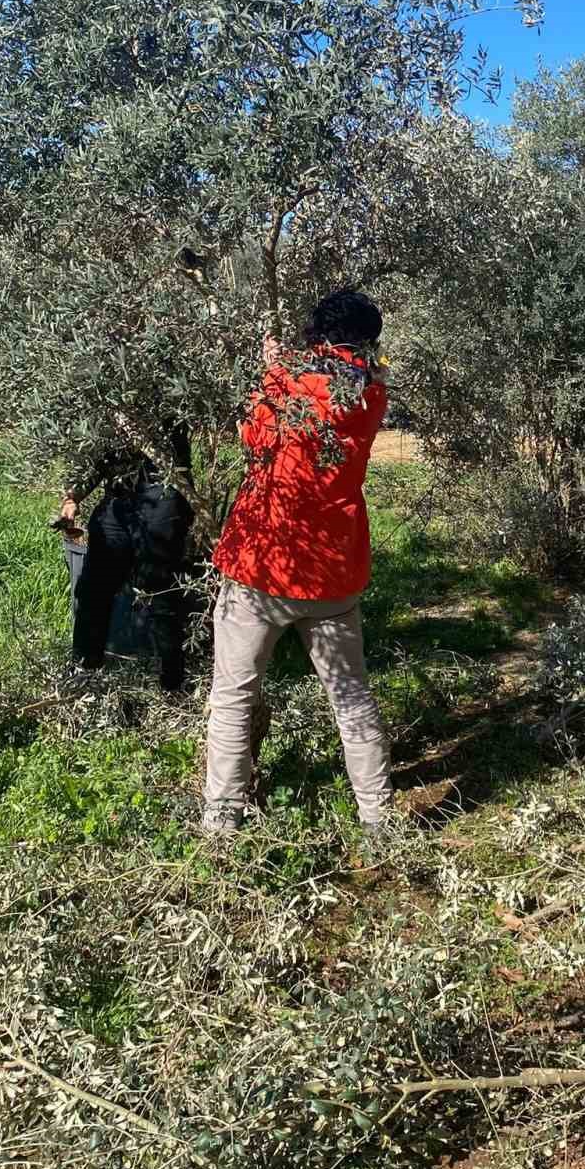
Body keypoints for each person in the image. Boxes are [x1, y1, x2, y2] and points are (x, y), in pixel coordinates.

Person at [202, 289, 394, 835]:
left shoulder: (287, 381)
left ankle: (221, 823)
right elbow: (343, 382)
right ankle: (381, 822)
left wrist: (269, 371)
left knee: (235, 698)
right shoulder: (372, 392)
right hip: (334, 572)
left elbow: (253, 436)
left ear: (318, 335)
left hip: (261, 568)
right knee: (352, 699)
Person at [60, 423, 194, 691]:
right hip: (118, 496)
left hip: (163, 491)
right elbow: (96, 446)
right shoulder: (107, 402)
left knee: (160, 593)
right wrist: (74, 496)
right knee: (92, 589)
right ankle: (85, 670)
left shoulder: (160, 394)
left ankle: (172, 685)